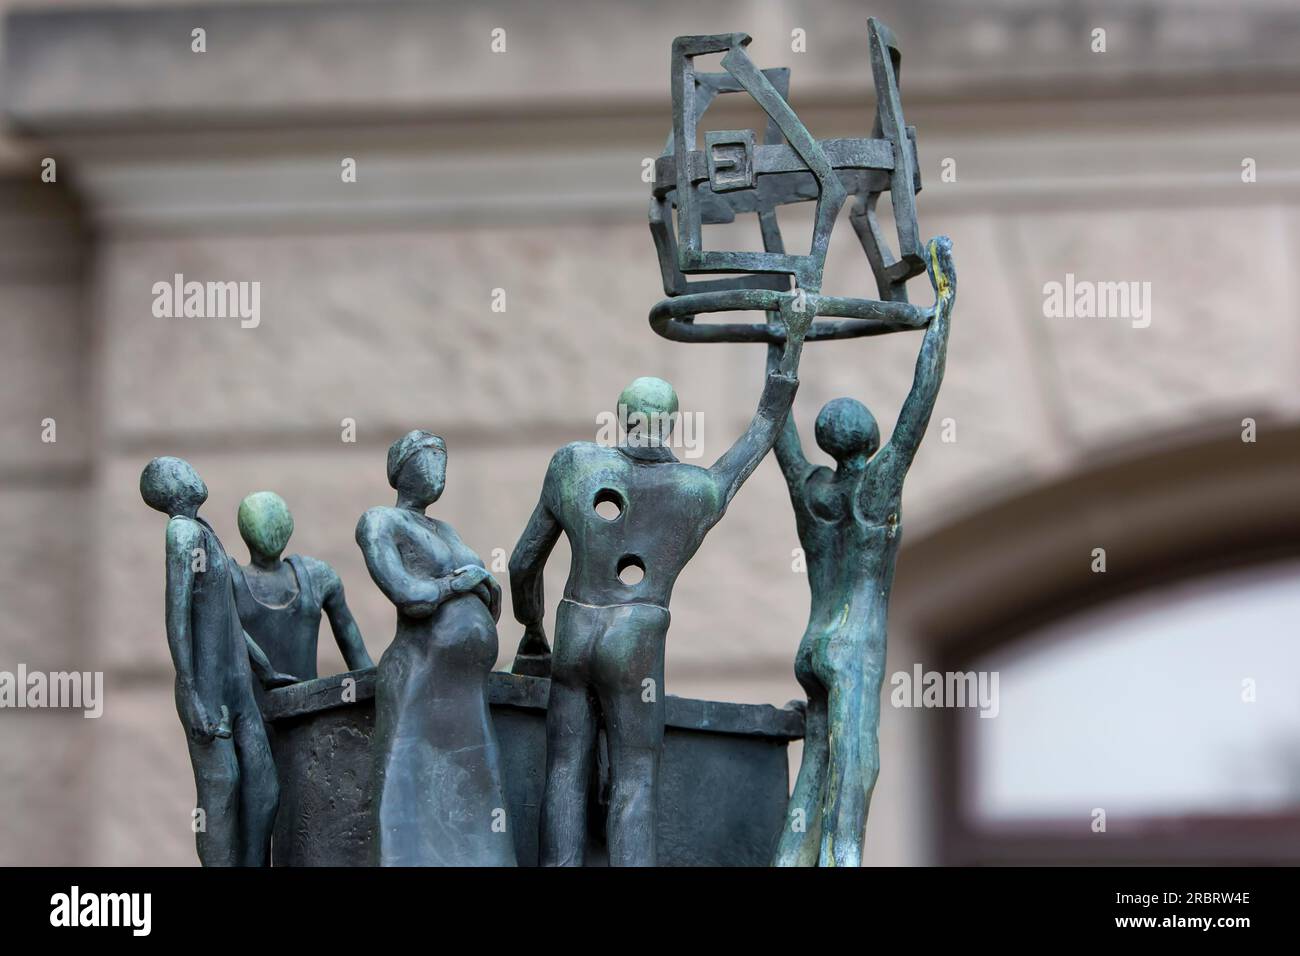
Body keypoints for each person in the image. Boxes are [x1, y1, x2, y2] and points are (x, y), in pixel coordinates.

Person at [507, 303, 812, 866]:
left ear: (621, 418)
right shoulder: (694, 491)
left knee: (563, 769)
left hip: (575, 626)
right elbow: (764, 432)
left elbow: (524, 564)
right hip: (638, 636)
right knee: (636, 778)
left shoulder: (573, 464)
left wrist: (532, 629)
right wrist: (788, 346)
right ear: (671, 424)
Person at [771, 236, 955, 867]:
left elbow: (776, 423)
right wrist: (945, 308)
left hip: (814, 644)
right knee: (851, 790)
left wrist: (784, 335)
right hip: (853, 654)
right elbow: (919, 403)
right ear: (870, 439)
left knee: (808, 790)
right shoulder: (877, 488)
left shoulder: (811, 491)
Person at [356, 431, 516, 866]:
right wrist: (460, 584)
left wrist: (484, 593)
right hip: (421, 673)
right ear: (403, 470)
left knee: (474, 795)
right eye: (430, 459)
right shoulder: (380, 522)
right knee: (410, 796)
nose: (439, 470)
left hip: (464, 686)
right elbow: (410, 595)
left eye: (443, 460)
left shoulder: (446, 529)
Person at [140, 456, 296, 866]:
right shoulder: (182, 532)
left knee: (264, 791)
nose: (191, 472)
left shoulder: (206, 532)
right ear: (168, 486)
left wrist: (265, 669)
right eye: (180, 469)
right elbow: (177, 616)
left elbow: (227, 618)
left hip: (238, 684)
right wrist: (190, 691)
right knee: (221, 790)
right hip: (207, 687)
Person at [231, 490, 373, 681]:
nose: (270, 535)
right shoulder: (230, 580)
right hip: (252, 708)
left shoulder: (318, 577)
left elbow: (359, 659)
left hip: (304, 705)